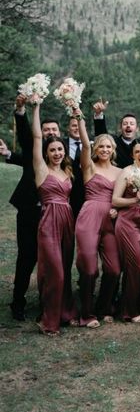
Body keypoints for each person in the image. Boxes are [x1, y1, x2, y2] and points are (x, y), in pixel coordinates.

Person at [1, 95, 60, 321]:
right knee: (26, 257)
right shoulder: (32, 151)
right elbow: (27, 134)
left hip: (53, 214)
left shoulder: (60, 154)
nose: (50, 132)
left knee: (52, 259)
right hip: (29, 211)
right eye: (46, 129)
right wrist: (20, 110)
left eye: (54, 129)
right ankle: (18, 302)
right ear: (41, 131)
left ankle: (52, 301)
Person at [31, 102, 77, 335]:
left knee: (65, 271)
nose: (57, 153)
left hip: (67, 220)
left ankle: (64, 313)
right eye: (53, 150)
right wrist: (37, 106)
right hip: (49, 220)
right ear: (46, 154)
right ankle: (48, 320)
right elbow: (38, 136)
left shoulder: (67, 171)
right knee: (55, 272)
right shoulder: (41, 169)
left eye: (60, 149)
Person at [74, 111, 122, 327]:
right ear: (96, 149)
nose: (104, 149)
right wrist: (80, 119)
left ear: (113, 150)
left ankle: (103, 307)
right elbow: (84, 145)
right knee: (89, 267)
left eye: (108, 147)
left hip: (111, 220)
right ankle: (86, 313)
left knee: (113, 269)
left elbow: (123, 197)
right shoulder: (89, 167)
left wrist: (118, 211)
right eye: (101, 146)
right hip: (90, 216)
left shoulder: (121, 172)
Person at [112, 140, 140, 322]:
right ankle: (129, 311)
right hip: (128, 221)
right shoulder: (126, 172)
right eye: (137, 151)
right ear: (132, 155)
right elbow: (115, 200)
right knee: (136, 266)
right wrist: (134, 200)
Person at [93, 99, 139, 168]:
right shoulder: (113, 142)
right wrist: (98, 114)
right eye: (125, 124)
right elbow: (101, 136)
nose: (128, 126)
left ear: (137, 129)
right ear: (120, 128)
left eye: (131, 124)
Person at [66, 115, 85, 219]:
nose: (77, 128)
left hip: (85, 195)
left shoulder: (92, 146)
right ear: (68, 128)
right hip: (66, 194)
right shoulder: (60, 145)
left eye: (79, 125)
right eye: (74, 125)